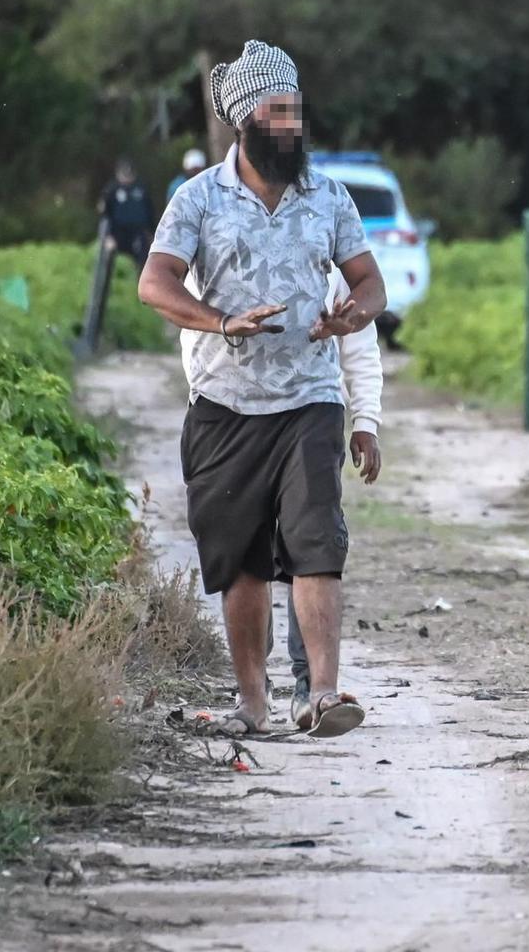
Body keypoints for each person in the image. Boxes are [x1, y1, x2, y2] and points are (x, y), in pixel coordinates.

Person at [138, 39, 387, 739]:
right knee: (241, 561)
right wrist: (221, 321)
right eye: (279, 112)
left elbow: (370, 281)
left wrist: (353, 314)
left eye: (297, 111)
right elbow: (153, 284)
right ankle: (253, 700)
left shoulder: (328, 196)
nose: (293, 126)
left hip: (309, 401)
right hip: (224, 407)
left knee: (316, 542)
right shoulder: (198, 200)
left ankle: (324, 695)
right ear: (246, 120)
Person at [280, 262, 384, 729]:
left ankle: (311, 688)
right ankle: (253, 692)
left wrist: (365, 421)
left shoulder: (329, 259)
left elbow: (359, 345)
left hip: (317, 413)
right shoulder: (226, 237)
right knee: (253, 555)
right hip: (235, 416)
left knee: (311, 549)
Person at [101, 159, 157, 269]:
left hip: (138, 233)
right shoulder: (111, 189)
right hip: (118, 233)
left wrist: (152, 234)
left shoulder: (141, 188)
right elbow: (105, 215)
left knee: (143, 261)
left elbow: (150, 212)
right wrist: (107, 236)